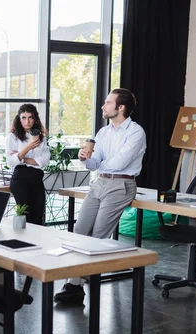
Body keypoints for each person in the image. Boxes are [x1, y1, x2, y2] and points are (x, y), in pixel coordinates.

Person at [54, 88, 146, 305]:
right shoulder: (103, 133)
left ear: (120, 107)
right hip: (99, 182)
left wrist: (99, 163)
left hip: (121, 184)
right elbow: (95, 164)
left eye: (107, 102)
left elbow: (119, 164)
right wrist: (85, 158)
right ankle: (75, 285)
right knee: (79, 231)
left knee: (97, 237)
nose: (103, 106)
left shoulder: (135, 132)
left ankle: (74, 286)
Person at [5, 104, 50, 225]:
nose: (27, 121)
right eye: (23, 117)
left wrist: (23, 158)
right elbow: (10, 161)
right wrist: (28, 147)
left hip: (37, 178)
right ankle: (22, 242)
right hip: (21, 179)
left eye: (30, 117)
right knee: (24, 217)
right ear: (19, 119)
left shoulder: (41, 137)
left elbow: (45, 160)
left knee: (38, 216)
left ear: (35, 119)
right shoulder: (13, 137)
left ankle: (36, 243)